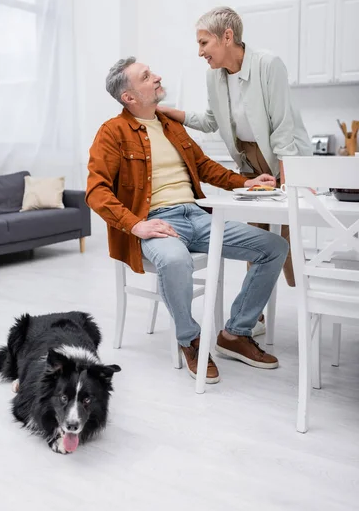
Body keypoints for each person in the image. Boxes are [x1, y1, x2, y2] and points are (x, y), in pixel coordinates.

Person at [86, 57, 288, 384]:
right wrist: (136, 225)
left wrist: (244, 182)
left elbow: (205, 166)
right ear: (129, 97)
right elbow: (96, 190)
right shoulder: (113, 132)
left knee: (274, 247)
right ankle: (190, 339)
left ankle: (235, 333)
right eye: (146, 76)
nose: (157, 76)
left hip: (197, 215)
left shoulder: (170, 125)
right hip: (155, 222)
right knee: (176, 260)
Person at [159, 6, 312, 323]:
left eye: (204, 43)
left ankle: (307, 297)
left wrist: (288, 181)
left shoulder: (268, 65)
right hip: (250, 162)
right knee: (259, 237)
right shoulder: (214, 77)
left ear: (227, 37)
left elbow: (283, 127)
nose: (200, 51)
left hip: (284, 158)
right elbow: (211, 120)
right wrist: (169, 112)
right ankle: (254, 317)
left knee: (289, 232)